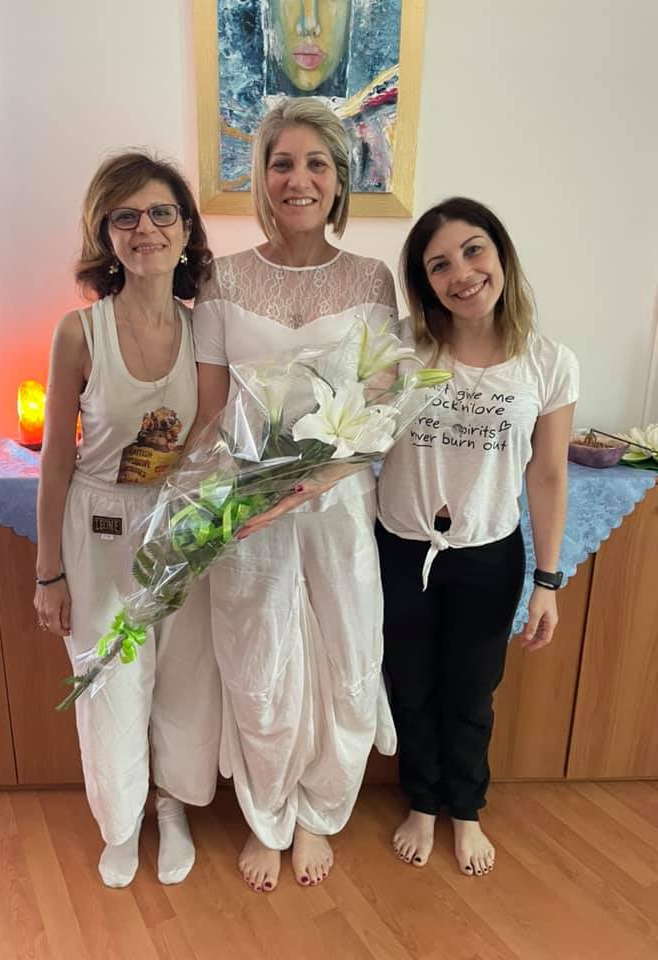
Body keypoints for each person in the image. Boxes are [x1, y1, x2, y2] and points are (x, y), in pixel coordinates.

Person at [190, 97, 397, 893]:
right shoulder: (222, 278)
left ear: (340, 179)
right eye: (282, 163)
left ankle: (318, 813)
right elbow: (211, 416)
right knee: (259, 663)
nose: (298, 179)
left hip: (340, 506)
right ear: (262, 176)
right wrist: (195, 509)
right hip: (251, 508)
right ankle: (267, 812)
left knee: (348, 657)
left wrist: (322, 476)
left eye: (316, 164)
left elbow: (382, 408)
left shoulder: (373, 278)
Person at [377, 197, 579, 877]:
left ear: (500, 254)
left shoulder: (549, 362)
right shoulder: (404, 348)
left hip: (490, 555)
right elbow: (357, 432)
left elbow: (548, 475)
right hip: (402, 546)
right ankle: (421, 801)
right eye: (439, 265)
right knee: (410, 684)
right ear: (425, 282)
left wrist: (547, 581)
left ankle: (465, 808)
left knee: (471, 692)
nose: (461, 274)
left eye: (472, 251)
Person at [34, 152, 221, 888]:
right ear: (106, 234)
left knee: (184, 675)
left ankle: (171, 806)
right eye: (126, 216)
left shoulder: (207, 331)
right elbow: (56, 458)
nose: (147, 228)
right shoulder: (78, 333)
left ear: (185, 229)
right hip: (98, 528)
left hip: (181, 524)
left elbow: (210, 438)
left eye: (162, 213)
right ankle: (120, 822)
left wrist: (197, 523)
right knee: (110, 679)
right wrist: (48, 573)